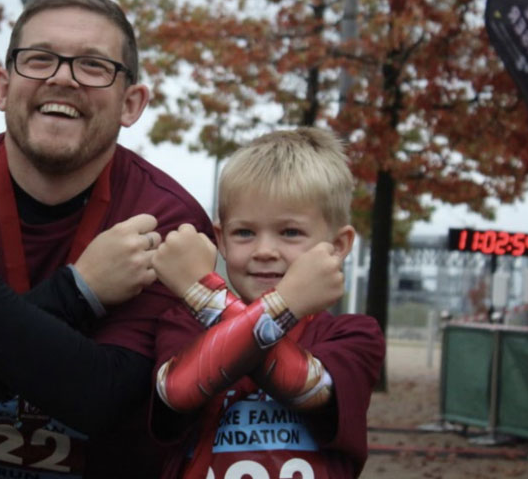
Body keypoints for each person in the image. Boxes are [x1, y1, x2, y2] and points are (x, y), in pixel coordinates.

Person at [0, 0, 215, 478]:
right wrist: (79, 292)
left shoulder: (167, 224)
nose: (62, 78)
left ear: (132, 103)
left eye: (94, 66)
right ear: (3, 86)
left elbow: (103, 402)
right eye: (39, 59)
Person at [151, 127, 385, 479]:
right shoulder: (183, 323)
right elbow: (178, 390)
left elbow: (305, 386)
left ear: (337, 246)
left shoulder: (354, 335)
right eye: (244, 232)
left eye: (290, 232)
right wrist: (282, 305)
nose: (264, 251)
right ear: (221, 241)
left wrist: (200, 291)